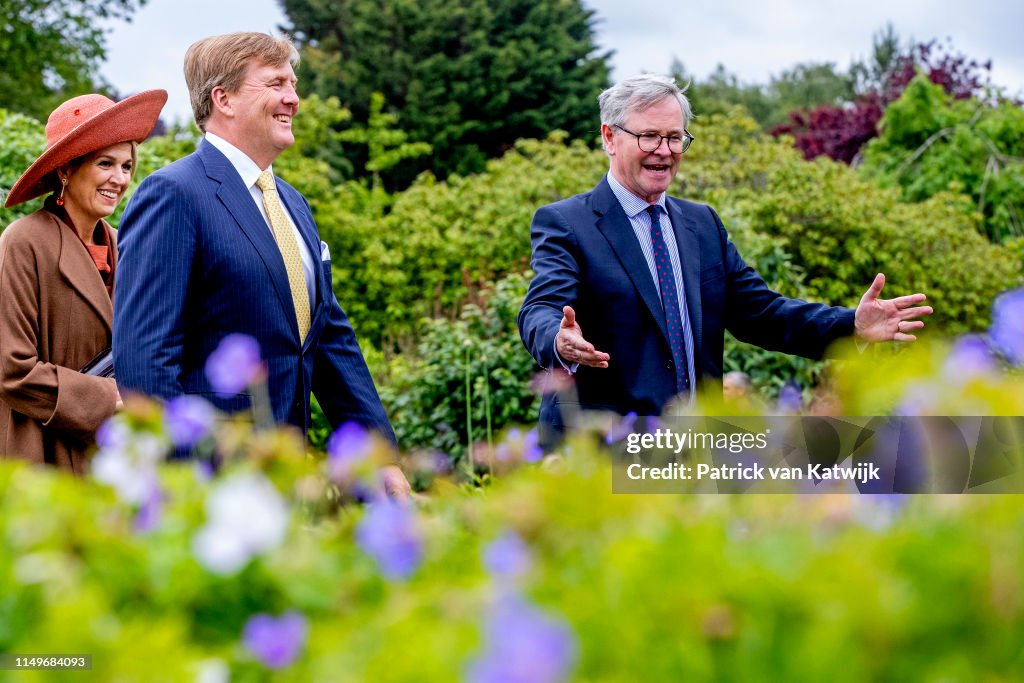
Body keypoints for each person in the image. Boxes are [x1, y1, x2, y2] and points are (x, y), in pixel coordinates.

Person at [518, 74, 933, 437]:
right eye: (649, 136)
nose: (664, 150)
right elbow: (541, 307)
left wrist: (851, 325)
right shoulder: (566, 222)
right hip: (604, 454)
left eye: (675, 137)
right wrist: (557, 338)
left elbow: (762, 313)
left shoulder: (701, 225)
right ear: (610, 137)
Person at [112, 33, 407, 494]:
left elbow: (326, 336)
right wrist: (193, 480)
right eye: (275, 83)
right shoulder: (173, 195)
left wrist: (379, 455)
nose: (293, 97)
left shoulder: (292, 203)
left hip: (288, 475)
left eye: (293, 82)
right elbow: (145, 361)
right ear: (223, 99)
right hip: (213, 483)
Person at [0, 90, 167, 473]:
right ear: (65, 170)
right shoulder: (24, 242)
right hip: (41, 452)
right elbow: (12, 369)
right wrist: (109, 397)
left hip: (108, 458)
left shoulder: (120, 245)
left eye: (126, 166)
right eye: (105, 164)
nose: (119, 179)